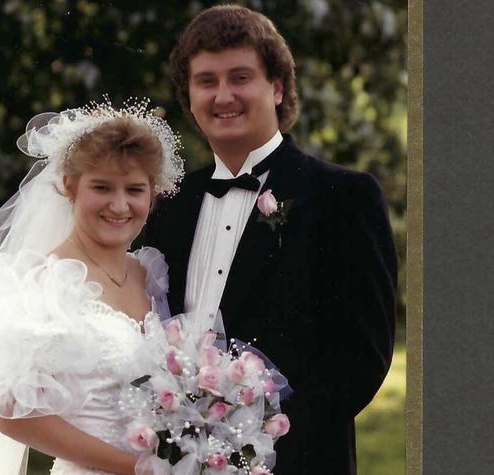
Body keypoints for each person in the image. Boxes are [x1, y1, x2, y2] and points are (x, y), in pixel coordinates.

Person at [143, 6, 398, 474]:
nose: (223, 96)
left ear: (277, 87)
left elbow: (362, 357)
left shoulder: (343, 197)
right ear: (190, 96)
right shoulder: (165, 206)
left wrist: (251, 445)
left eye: (240, 77)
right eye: (206, 81)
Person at [0, 101, 184, 475]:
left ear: (152, 195)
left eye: (134, 189)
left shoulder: (148, 273)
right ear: (70, 187)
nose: (120, 205)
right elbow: (15, 418)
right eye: (102, 187)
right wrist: (139, 469)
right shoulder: (43, 282)